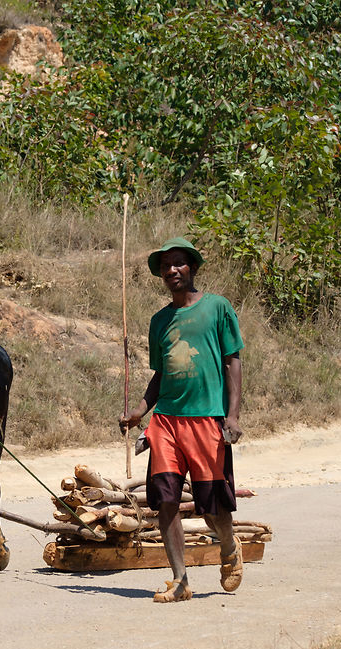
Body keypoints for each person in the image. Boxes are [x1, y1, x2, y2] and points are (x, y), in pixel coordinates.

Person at [119, 237, 245, 602]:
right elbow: (160, 376)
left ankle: (228, 547)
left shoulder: (217, 308)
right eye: (165, 266)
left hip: (206, 420)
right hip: (167, 423)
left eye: (178, 263)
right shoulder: (160, 321)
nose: (171, 270)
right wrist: (140, 412)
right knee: (166, 502)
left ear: (192, 267)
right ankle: (180, 580)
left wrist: (232, 415)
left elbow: (232, 360)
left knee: (212, 507)